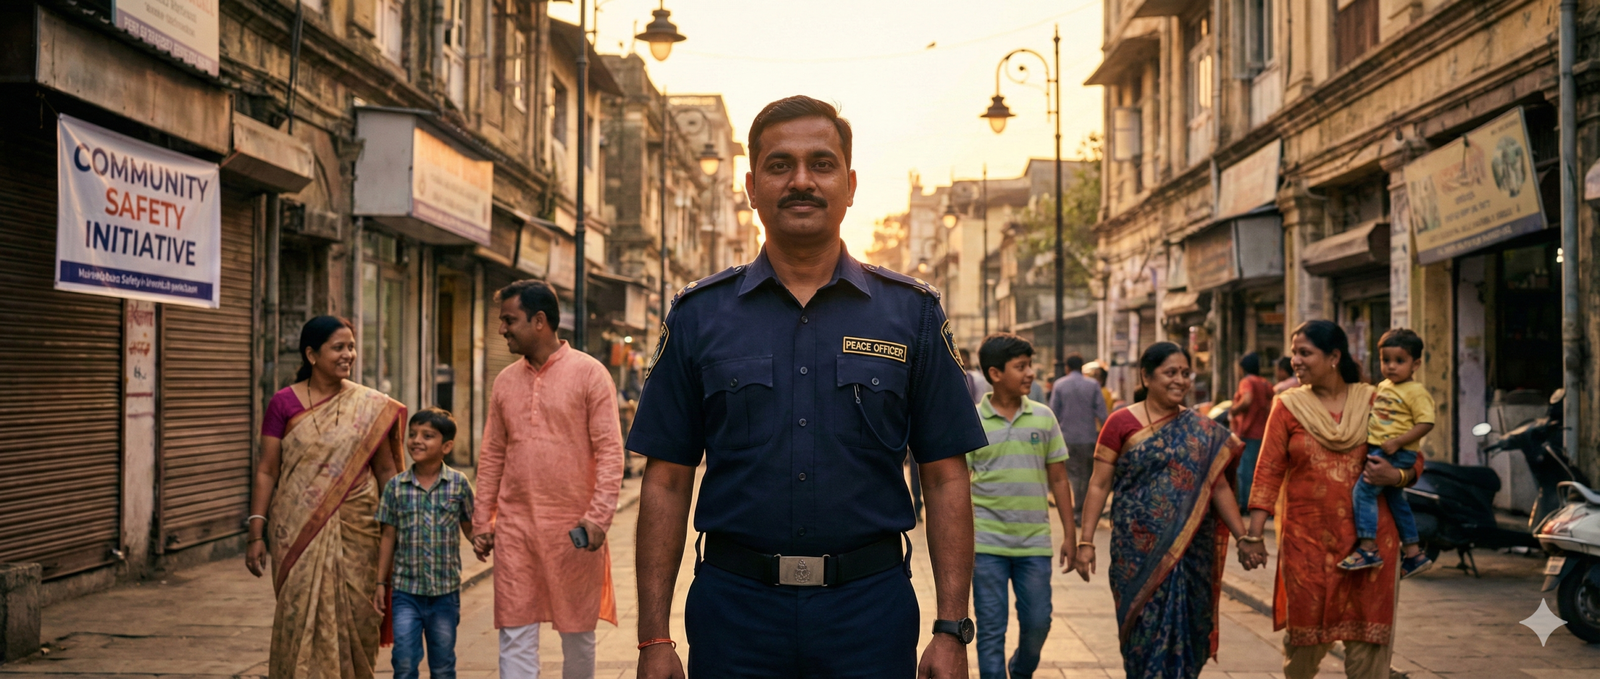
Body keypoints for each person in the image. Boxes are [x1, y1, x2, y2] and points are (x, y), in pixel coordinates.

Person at [628, 95, 988, 679]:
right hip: (734, 613)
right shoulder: (698, 315)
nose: (801, 181)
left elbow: (945, 475)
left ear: (849, 185)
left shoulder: (910, 314)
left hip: (869, 613)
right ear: (750, 186)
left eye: (821, 164)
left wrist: (951, 629)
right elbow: (666, 480)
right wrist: (653, 639)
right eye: (779, 165)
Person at [1072, 342, 1264, 679]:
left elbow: (1217, 486)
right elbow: (1099, 484)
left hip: (1191, 552)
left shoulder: (1201, 430)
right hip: (1135, 552)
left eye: (1185, 373)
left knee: (1189, 637)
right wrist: (1085, 542)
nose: (1180, 381)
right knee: (1140, 640)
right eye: (1170, 373)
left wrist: (1244, 536)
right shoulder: (1120, 423)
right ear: (1147, 376)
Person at [1245, 320, 1424, 679]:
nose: (1295, 360)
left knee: (1368, 647)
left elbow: (1413, 455)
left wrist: (1398, 476)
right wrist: (1253, 535)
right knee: (1304, 648)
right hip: (1306, 543)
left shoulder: (1375, 400)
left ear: (1333, 357)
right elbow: (1267, 471)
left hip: (1369, 544)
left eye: (1304, 353)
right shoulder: (1288, 406)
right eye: (1294, 352)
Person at [472, 280, 625, 679]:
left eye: (510, 320)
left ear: (540, 321)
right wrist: (482, 521)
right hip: (515, 529)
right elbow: (491, 456)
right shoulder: (505, 381)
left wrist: (598, 518)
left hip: (573, 529)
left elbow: (611, 451)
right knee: (514, 630)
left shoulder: (590, 374)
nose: (502, 329)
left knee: (577, 633)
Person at [247, 316, 404, 678]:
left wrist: (400, 525)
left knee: (357, 619)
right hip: (296, 530)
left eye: (351, 346)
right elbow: (267, 470)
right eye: (339, 347)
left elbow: (385, 472)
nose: (348, 354)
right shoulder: (283, 404)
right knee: (298, 613)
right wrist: (256, 532)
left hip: (359, 532)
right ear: (312, 354)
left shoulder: (370, 405)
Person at [967, 334, 1077, 679]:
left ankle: (1020, 669)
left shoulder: (1043, 418)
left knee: (1038, 623)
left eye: (1029, 365)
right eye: (1021, 367)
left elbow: (1059, 480)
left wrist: (1071, 536)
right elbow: (955, 484)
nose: (1030, 373)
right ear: (995, 373)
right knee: (990, 631)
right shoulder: (972, 421)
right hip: (986, 546)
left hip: (1034, 545)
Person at [375, 408, 476, 679]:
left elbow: (470, 526)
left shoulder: (458, 484)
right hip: (406, 593)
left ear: (447, 446)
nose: (417, 441)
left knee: (443, 665)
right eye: (413, 434)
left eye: (427, 436)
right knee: (404, 662)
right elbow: (387, 536)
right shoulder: (396, 487)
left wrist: (483, 543)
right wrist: (380, 584)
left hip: (445, 594)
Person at [1340, 329, 1434, 577]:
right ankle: (1414, 552)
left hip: (1395, 452)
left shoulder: (1416, 392)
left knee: (1364, 491)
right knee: (1396, 501)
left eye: (1399, 361)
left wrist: (1398, 442)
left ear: (1416, 364)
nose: (1391, 367)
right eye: (1386, 360)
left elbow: (1426, 423)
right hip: (1384, 448)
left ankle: (1368, 548)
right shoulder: (1382, 386)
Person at [1050, 354, 1107, 525]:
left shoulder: (1059, 385)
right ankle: (1082, 511)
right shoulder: (1093, 385)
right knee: (1087, 475)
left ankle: (1077, 512)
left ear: (1067, 368)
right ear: (1082, 367)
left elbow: (1053, 413)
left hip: (1067, 438)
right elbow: (1102, 413)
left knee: (1073, 475)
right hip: (1088, 437)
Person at [1228, 353, 1275, 509]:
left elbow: (1247, 399)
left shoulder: (1246, 381)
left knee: (1245, 471)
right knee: (1258, 470)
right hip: (1263, 431)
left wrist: (1234, 410)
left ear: (1242, 368)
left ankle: (1245, 504)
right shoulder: (1265, 383)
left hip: (1247, 432)